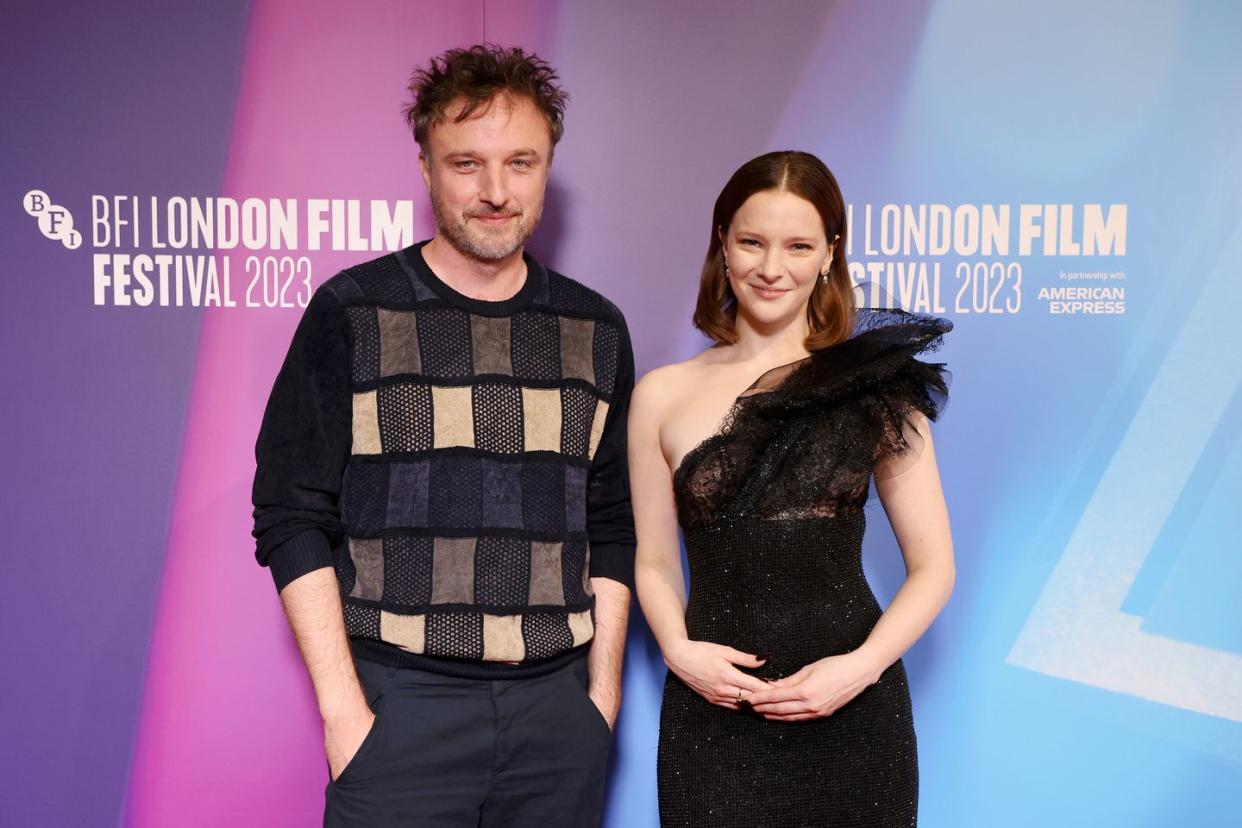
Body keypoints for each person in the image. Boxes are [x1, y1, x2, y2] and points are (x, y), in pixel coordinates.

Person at [251, 45, 634, 827]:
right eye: (467, 164)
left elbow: (613, 522)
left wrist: (601, 697)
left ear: (547, 168)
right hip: (401, 710)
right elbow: (291, 514)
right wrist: (344, 715)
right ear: (426, 167)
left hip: (557, 715)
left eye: (520, 162)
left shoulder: (595, 327)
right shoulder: (354, 310)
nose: (496, 191)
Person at [629, 150, 955, 826]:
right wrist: (678, 650)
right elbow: (656, 561)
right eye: (752, 242)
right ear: (722, 245)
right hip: (714, 709)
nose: (772, 268)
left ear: (830, 253)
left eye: (798, 245)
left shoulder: (875, 384)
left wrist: (859, 669)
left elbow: (934, 570)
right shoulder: (661, 395)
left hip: (853, 716)